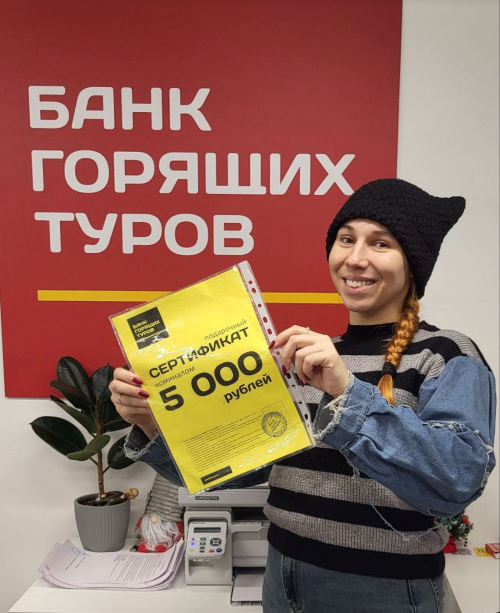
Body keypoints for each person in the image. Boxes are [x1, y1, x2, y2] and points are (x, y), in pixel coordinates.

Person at [110, 178, 496, 613]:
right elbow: (237, 469)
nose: (355, 258)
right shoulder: (310, 357)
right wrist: (150, 422)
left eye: (380, 243)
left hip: (383, 589)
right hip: (281, 577)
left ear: (413, 264)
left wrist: (346, 391)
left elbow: (461, 478)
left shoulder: (444, 353)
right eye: (346, 239)